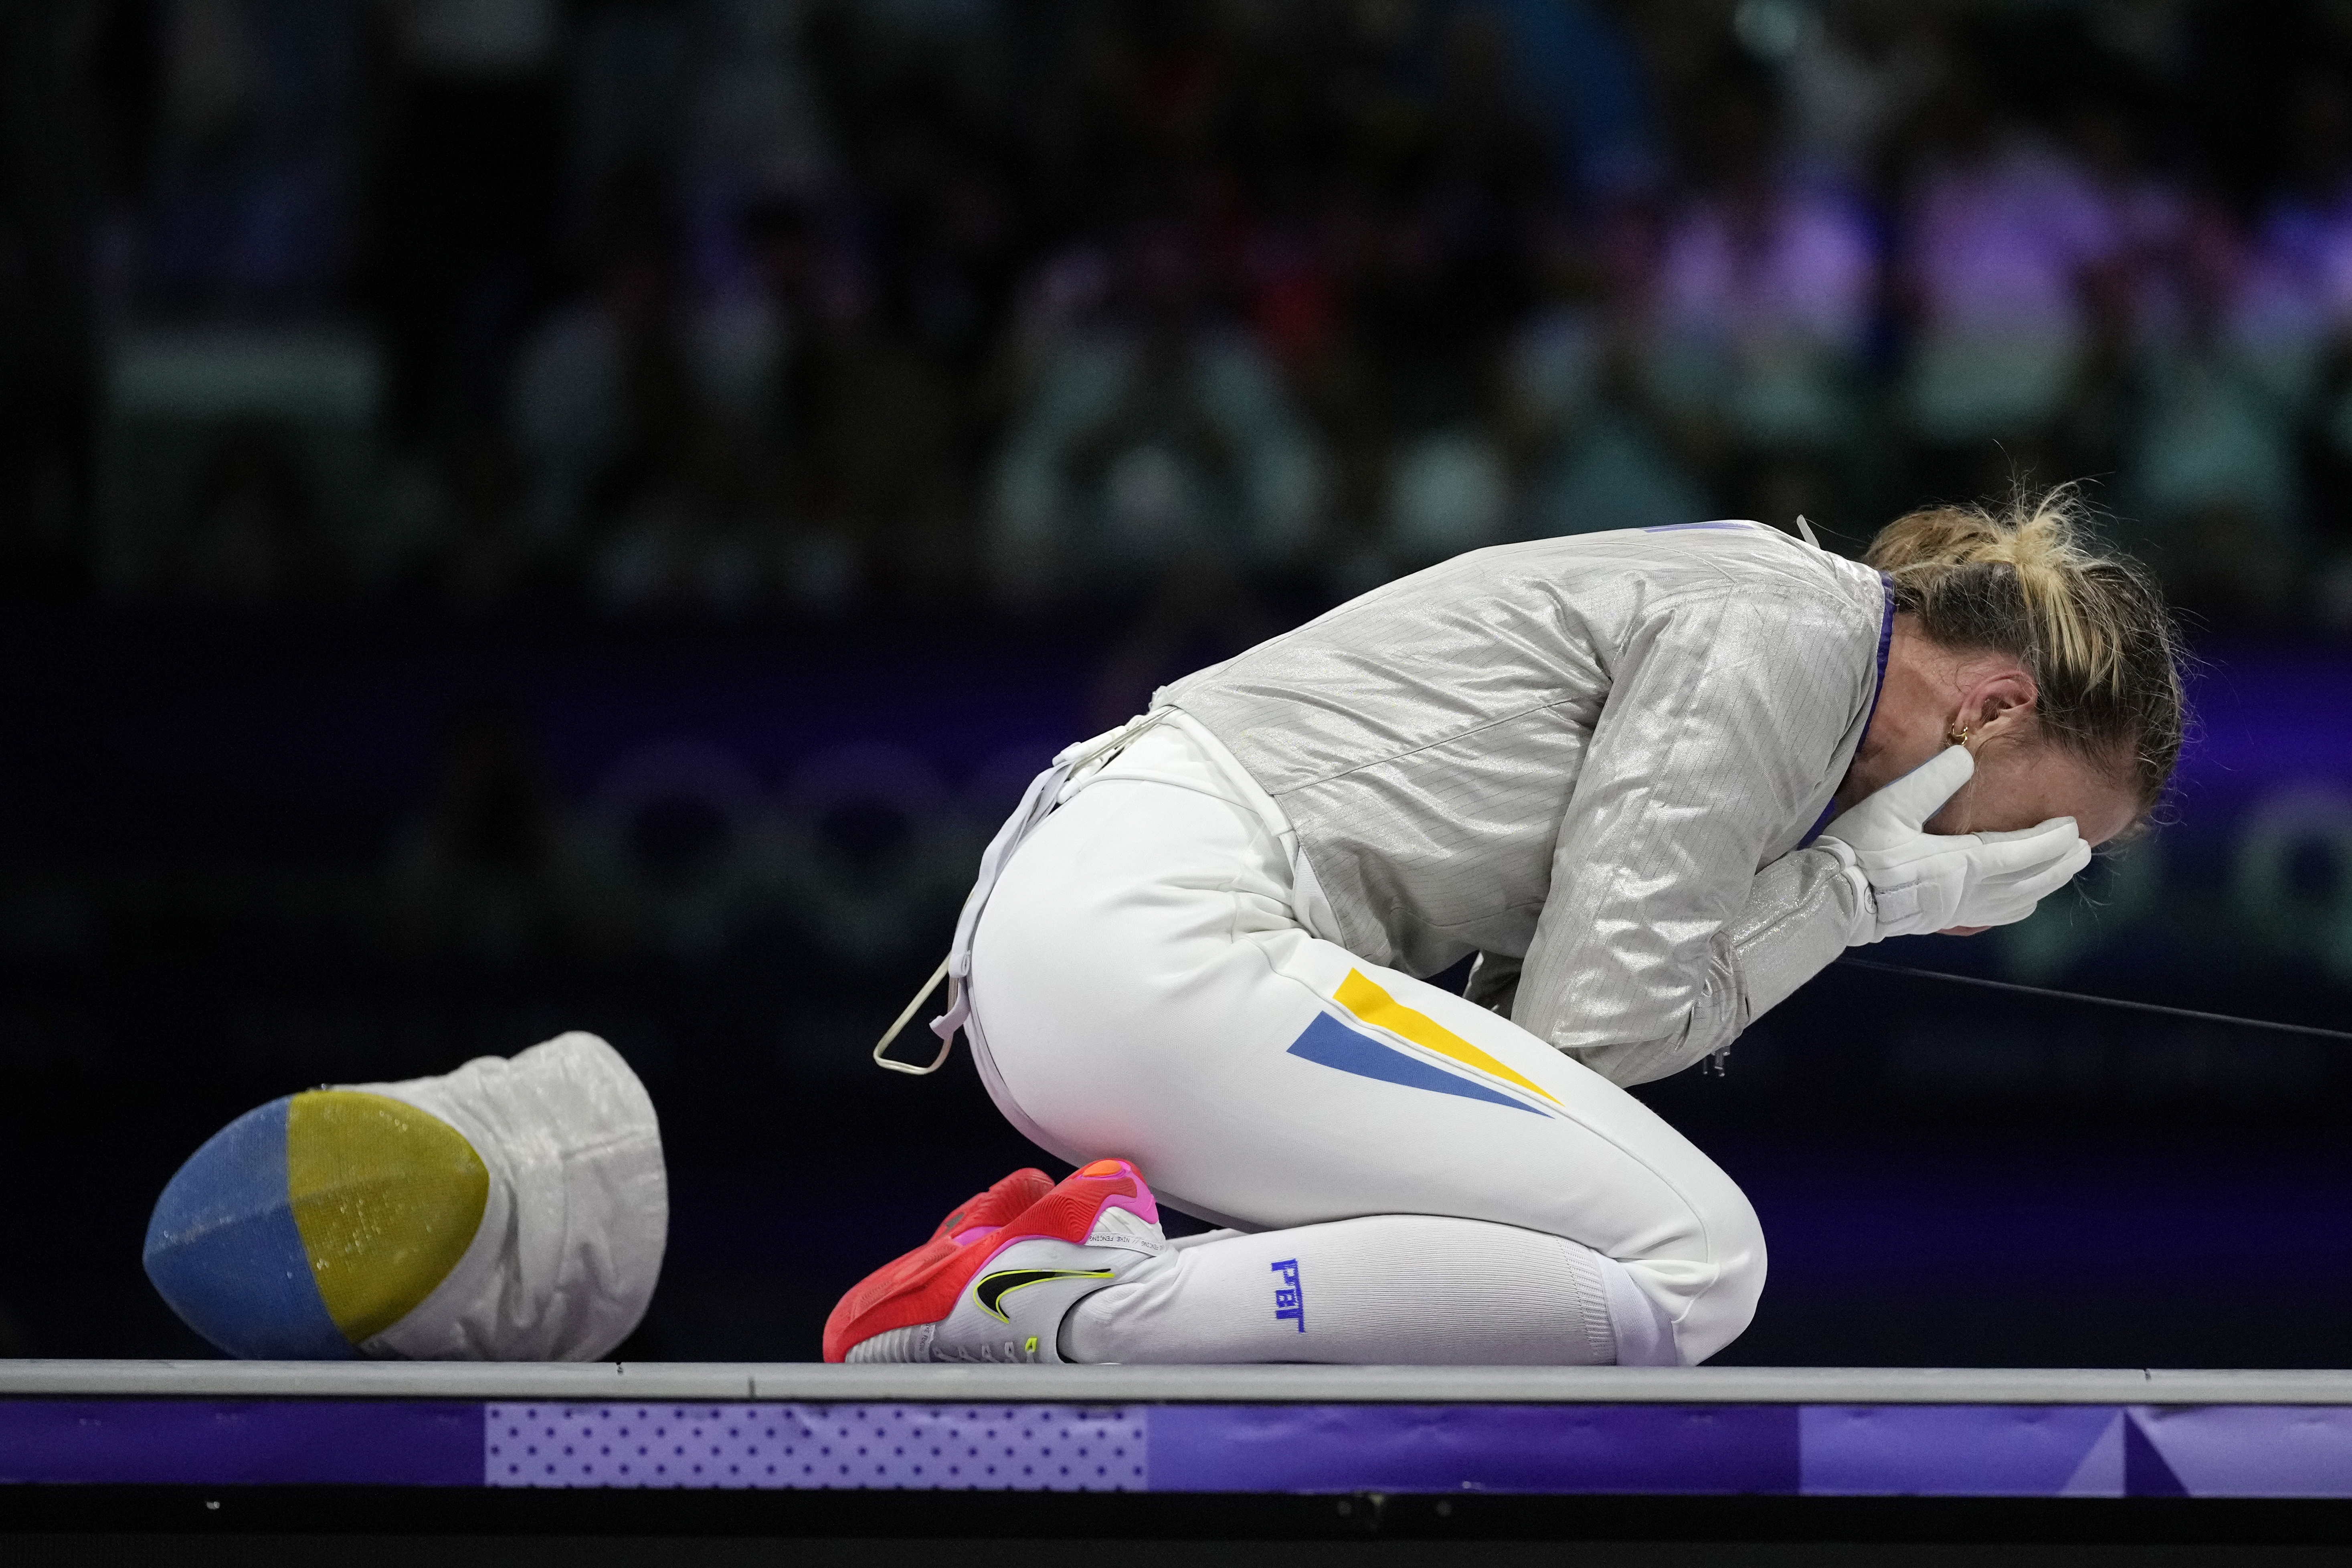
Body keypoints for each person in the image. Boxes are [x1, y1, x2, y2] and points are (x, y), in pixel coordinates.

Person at [825, 492, 2184, 1368]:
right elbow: (1598, 1030)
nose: (2017, 875)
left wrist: (1837, 885)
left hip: (1108, 954)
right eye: (2042, 832)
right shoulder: (1794, 632)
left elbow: (1532, 1035)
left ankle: (1082, 1269)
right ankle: (1063, 1314)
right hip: (1154, 931)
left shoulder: (1802, 683)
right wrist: (1858, 897)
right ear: (1996, 710)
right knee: (1697, 1257)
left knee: (1568, 1256)